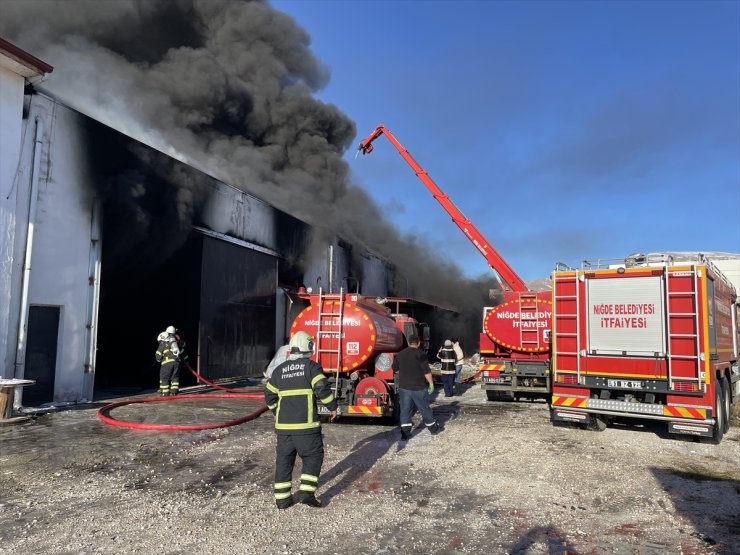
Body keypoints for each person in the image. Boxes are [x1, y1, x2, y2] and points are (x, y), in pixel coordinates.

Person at [264, 331, 338, 509]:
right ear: (308, 347)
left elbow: (269, 395)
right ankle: (306, 494)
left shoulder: (279, 370)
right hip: (306, 427)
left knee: (284, 461)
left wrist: (276, 412)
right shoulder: (311, 367)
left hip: (284, 429)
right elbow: (321, 388)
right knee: (313, 457)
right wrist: (332, 407)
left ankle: (282, 500)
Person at [392, 335, 440, 441]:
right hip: (419, 388)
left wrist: (404, 373)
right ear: (418, 343)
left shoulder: (401, 354)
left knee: (405, 410)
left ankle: (405, 433)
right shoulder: (421, 354)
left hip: (404, 388)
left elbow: (395, 369)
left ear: (409, 343)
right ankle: (433, 429)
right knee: (424, 408)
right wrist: (431, 383)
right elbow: (426, 371)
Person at [155, 325, 186, 396]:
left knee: (164, 377)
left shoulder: (163, 343)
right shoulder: (177, 342)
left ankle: (165, 392)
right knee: (175, 377)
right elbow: (183, 352)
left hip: (167, 363)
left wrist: (158, 359)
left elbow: (158, 353)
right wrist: (185, 362)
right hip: (177, 363)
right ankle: (174, 392)